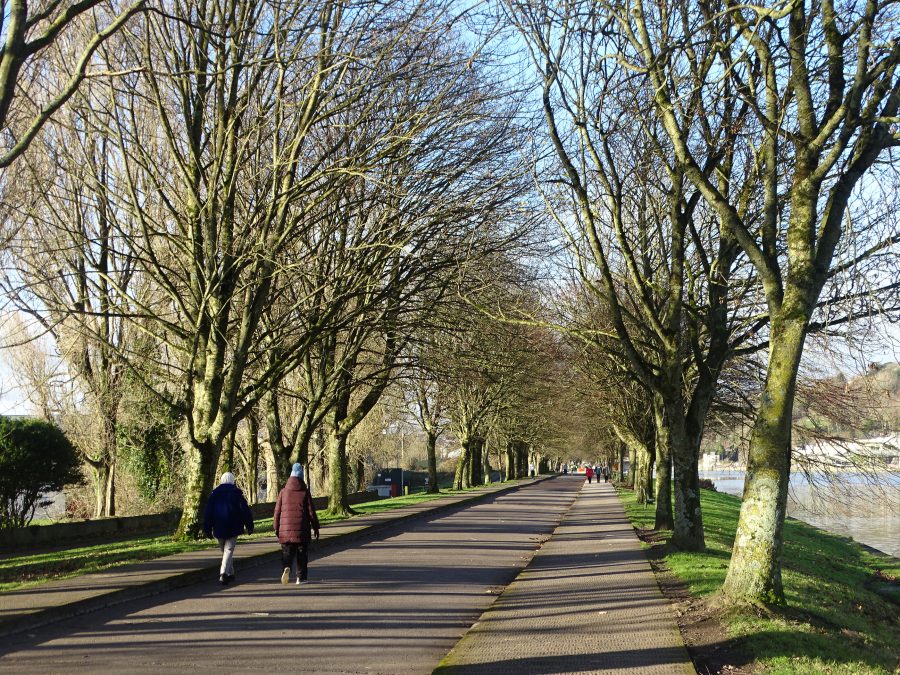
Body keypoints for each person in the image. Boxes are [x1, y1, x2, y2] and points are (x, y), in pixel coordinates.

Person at [203, 472, 254, 585]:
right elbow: (245, 511)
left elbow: (208, 513)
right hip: (233, 526)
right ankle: (226, 573)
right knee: (228, 551)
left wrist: (207, 529)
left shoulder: (214, 495)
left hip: (219, 526)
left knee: (225, 551)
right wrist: (249, 526)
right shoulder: (236, 494)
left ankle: (227, 573)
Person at [274, 463, 320, 585]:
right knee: (302, 554)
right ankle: (301, 578)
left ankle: (286, 567)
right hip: (302, 529)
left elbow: (277, 512)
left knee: (287, 552)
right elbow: (311, 512)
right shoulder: (305, 492)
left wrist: (276, 528)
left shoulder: (283, 492)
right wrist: (316, 527)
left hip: (285, 530)